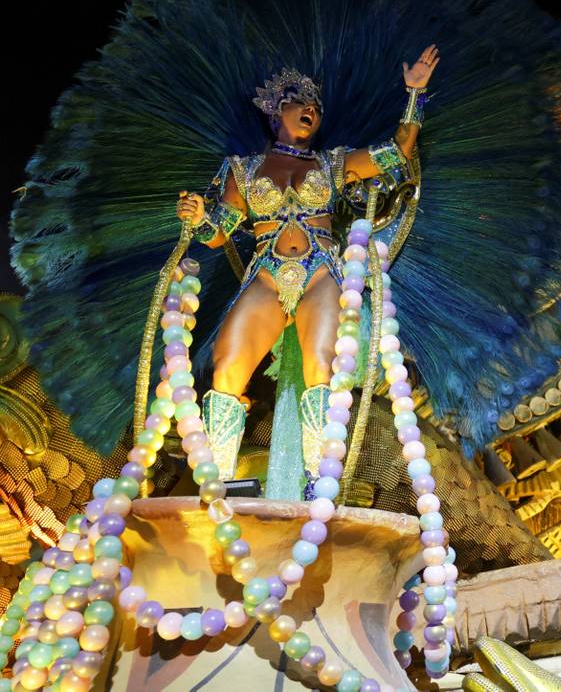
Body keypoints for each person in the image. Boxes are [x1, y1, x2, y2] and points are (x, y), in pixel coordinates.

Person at [175, 51, 438, 486]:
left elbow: (396, 153)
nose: (311, 110)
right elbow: (219, 232)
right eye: (301, 101)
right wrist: (199, 216)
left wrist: (415, 92)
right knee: (226, 369)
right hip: (266, 272)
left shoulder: (332, 165)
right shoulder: (242, 170)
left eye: (316, 106)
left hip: (320, 271)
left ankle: (321, 481)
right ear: (278, 110)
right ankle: (215, 483)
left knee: (322, 365)